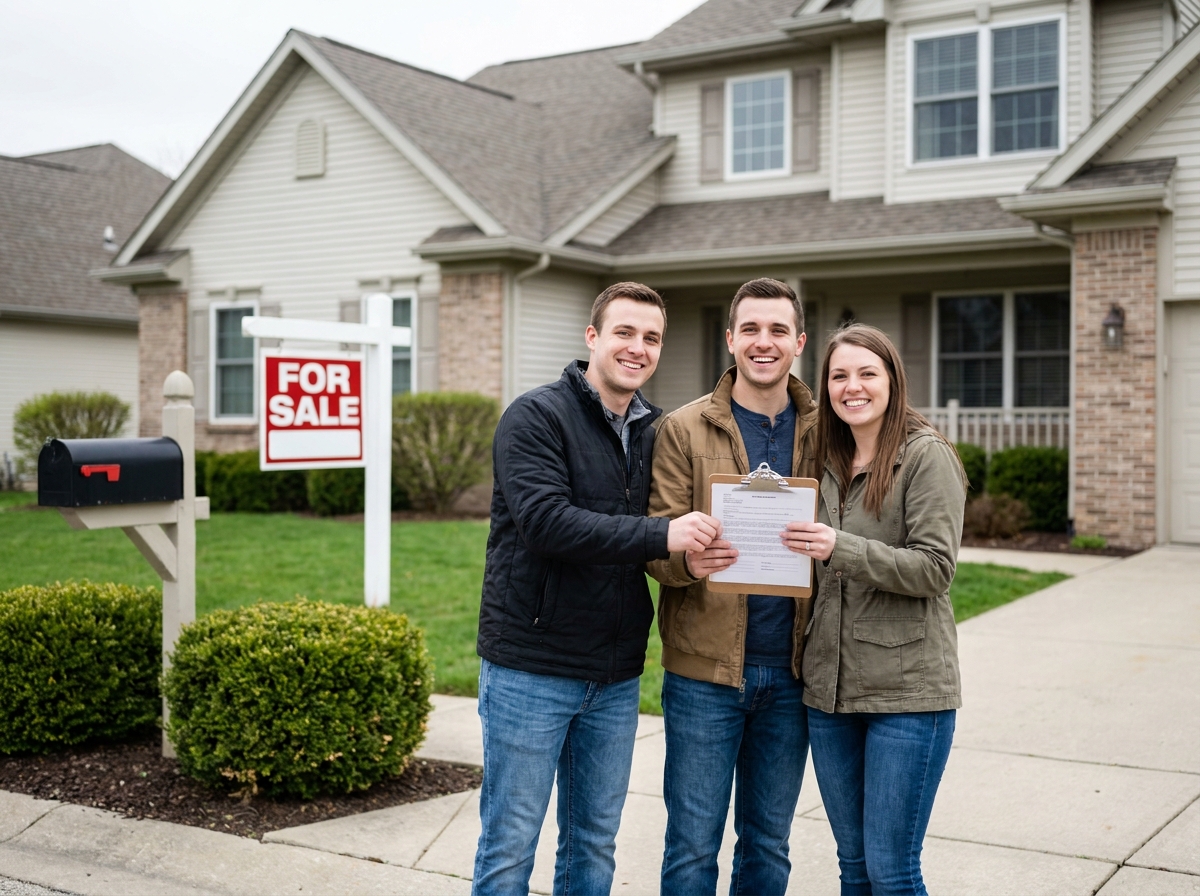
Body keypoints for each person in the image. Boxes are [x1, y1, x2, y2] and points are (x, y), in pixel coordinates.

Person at [473, 281, 722, 896]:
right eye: (624, 332)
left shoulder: (654, 432)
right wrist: (663, 535)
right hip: (530, 667)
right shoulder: (535, 416)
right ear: (593, 338)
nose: (637, 348)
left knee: (592, 844)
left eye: (651, 338)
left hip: (613, 674)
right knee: (510, 845)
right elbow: (546, 523)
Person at [781, 323, 967, 896]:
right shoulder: (823, 458)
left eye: (867, 373)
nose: (851, 387)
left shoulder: (925, 457)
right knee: (854, 864)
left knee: (891, 869)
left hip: (907, 696)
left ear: (893, 381)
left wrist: (841, 547)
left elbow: (935, 568)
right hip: (829, 693)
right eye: (839, 375)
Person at [647, 278, 819, 896]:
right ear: (730, 339)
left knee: (768, 844)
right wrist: (689, 562)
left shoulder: (826, 431)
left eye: (777, 330)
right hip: (705, 676)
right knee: (692, 845)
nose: (763, 342)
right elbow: (653, 540)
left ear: (799, 341)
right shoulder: (683, 428)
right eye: (750, 329)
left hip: (795, 673)